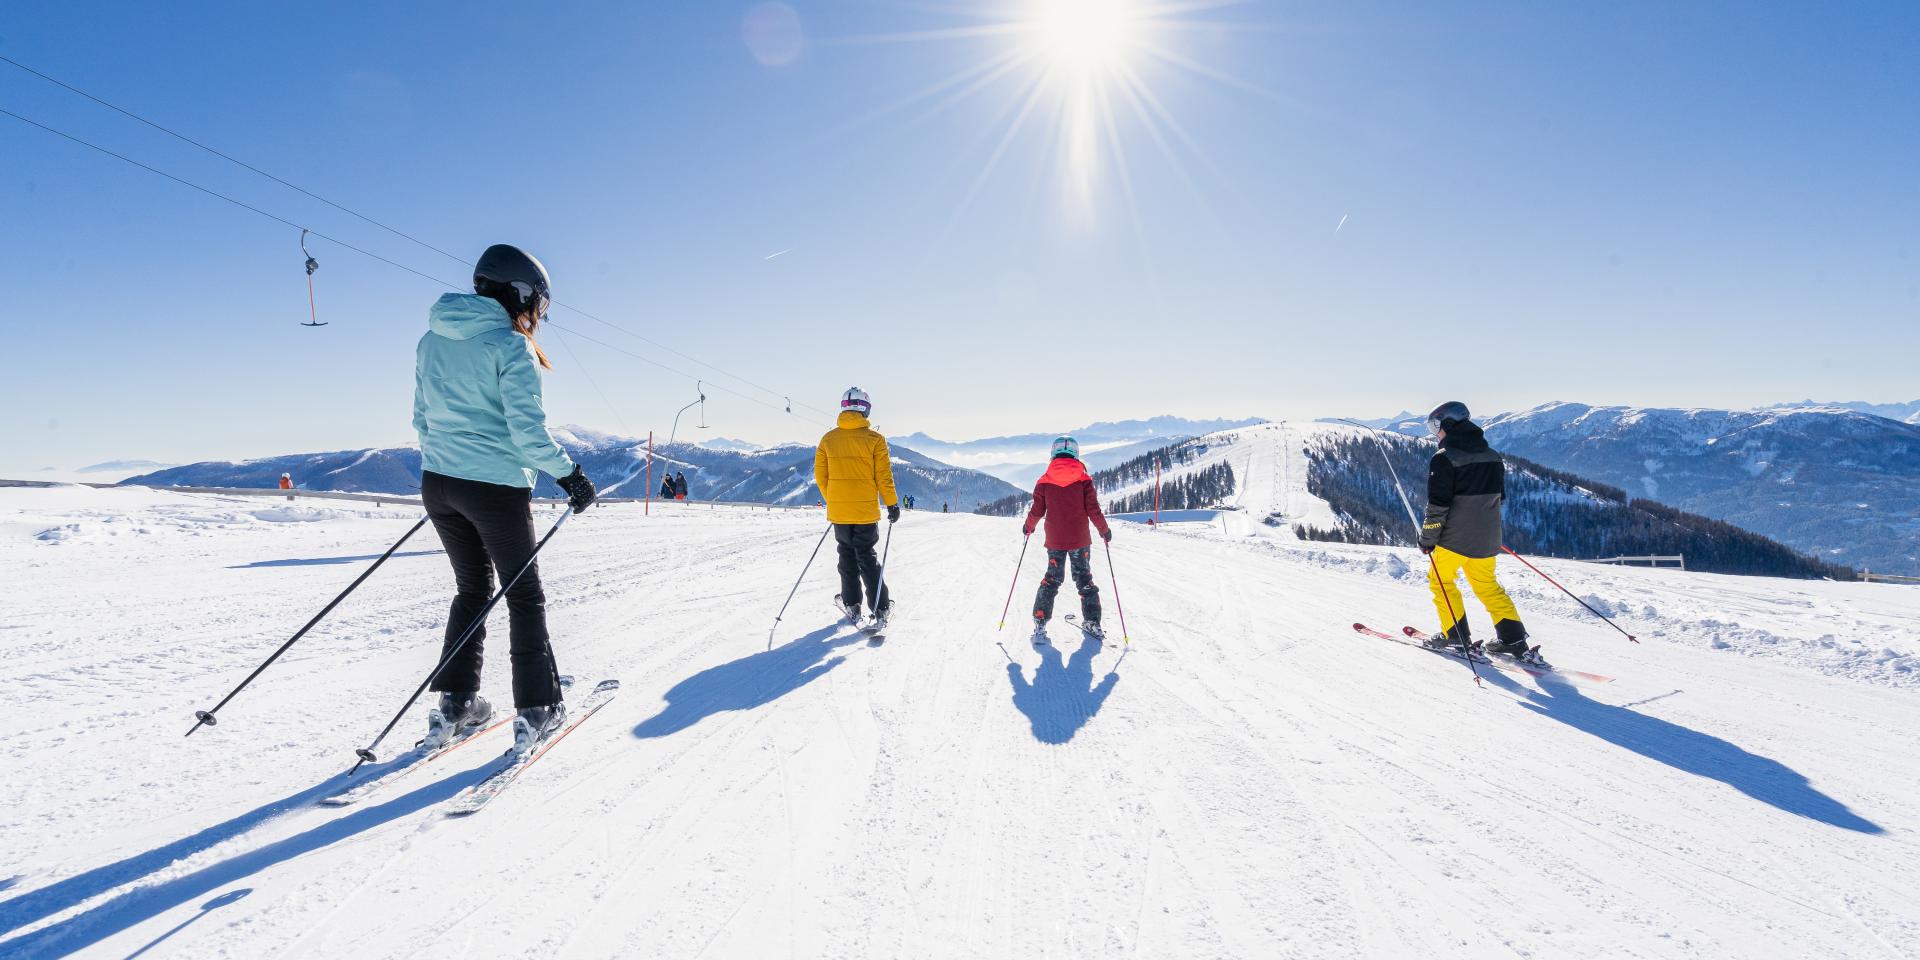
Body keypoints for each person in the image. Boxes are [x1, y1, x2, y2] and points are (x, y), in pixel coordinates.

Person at [412, 243, 598, 753]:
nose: (537, 315)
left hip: (439, 483)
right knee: (523, 594)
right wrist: (572, 477)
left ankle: (455, 704)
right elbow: (527, 435)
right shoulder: (509, 346)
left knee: (471, 589)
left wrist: (449, 463)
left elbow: (421, 420)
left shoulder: (432, 341)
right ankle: (537, 710)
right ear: (519, 293)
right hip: (493, 488)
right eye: (538, 304)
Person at [1418, 401, 1537, 663]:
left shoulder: (1444, 458)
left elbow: (1438, 506)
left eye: (1435, 426)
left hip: (1454, 540)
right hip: (1488, 538)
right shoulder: (1493, 456)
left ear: (1448, 424)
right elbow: (1498, 499)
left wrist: (1427, 539)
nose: (1435, 433)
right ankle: (1512, 639)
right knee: (1487, 586)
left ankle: (1455, 635)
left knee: (1441, 581)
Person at [815, 386, 900, 624]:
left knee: (846, 555)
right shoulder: (875, 440)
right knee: (867, 557)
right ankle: (880, 608)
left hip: (839, 512)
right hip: (864, 512)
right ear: (866, 409)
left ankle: (852, 604)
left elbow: (821, 476)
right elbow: (883, 476)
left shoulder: (828, 439)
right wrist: (892, 504)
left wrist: (834, 499)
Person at [1022, 436, 1111, 644]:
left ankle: (1040, 623)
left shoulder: (1044, 480)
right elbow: (1093, 510)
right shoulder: (1084, 479)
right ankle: (1093, 622)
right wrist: (1104, 530)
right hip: (1080, 539)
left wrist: (1028, 527)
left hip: (1055, 539)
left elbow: (1037, 510)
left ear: (1053, 454)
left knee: (1052, 579)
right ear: (1076, 453)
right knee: (1084, 579)